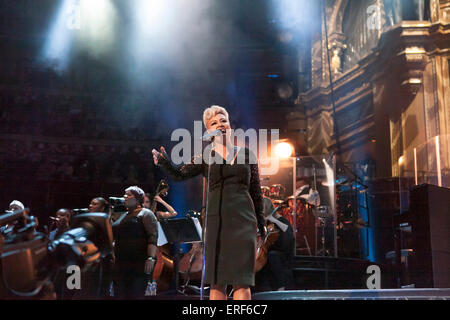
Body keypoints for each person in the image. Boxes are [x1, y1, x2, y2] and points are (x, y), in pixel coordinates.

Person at [152, 105, 266, 300]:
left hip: (244, 221)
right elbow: (179, 174)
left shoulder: (247, 155)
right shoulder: (207, 157)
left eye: (223, 120)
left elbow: (256, 191)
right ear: (208, 131)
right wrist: (164, 162)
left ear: (229, 125)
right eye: (214, 123)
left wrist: (261, 223)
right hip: (216, 221)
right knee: (217, 280)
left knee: (241, 280)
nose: (220, 124)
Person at [112, 186, 158, 299]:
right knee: (120, 293)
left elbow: (153, 236)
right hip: (121, 262)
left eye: (128, 195)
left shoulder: (145, 213)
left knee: (135, 293)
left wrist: (151, 257)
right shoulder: (123, 215)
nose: (125, 197)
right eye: (124, 194)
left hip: (137, 262)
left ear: (138, 198)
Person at [255, 195, 295, 292]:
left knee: (273, 256)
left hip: (282, 255)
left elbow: (287, 232)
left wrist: (273, 219)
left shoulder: (281, 220)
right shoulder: (267, 224)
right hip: (269, 253)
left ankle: (281, 286)